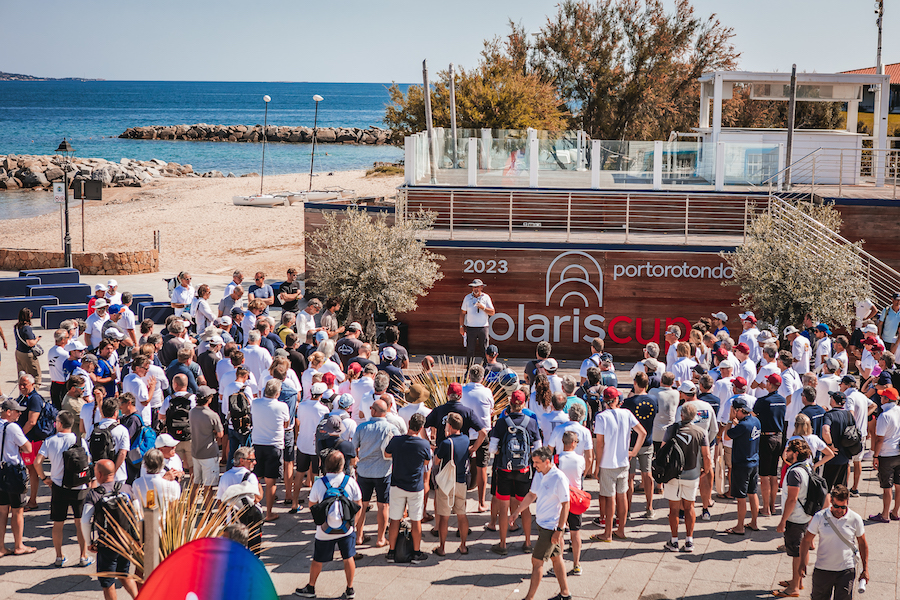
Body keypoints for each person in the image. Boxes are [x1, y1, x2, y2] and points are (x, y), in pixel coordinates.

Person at [295, 450, 361, 600]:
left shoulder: (319, 483)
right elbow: (358, 504)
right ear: (342, 465)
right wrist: (353, 524)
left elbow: (312, 505)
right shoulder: (350, 481)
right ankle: (350, 589)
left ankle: (311, 587)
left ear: (326, 465)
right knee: (348, 557)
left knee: (317, 559)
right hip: (346, 529)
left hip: (324, 530)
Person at [509, 446, 571, 600]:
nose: (534, 465)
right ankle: (565, 594)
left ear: (547, 461)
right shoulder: (539, 473)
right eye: (533, 462)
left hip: (551, 527)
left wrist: (559, 530)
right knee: (556, 558)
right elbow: (532, 495)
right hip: (542, 525)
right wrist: (517, 512)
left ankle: (529, 598)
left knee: (536, 561)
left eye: (537, 462)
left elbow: (566, 505)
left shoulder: (559, 478)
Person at [35, 410, 92, 567]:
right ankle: (83, 556)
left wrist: (44, 478)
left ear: (59, 424)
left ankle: (59, 557)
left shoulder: (50, 441)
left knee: (58, 523)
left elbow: (37, 462)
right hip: (79, 487)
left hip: (59, 486)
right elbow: (87, 461)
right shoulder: (80, 441)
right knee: (80, 523)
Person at [489, 389, 541, 555]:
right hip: (523, 470)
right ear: (523, 404)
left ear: (510, 404)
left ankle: (503, 544)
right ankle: (527, 542)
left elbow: (492, 449)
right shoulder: (531, 422)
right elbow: (538, 449)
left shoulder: (501, 423)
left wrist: (501, 453)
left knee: (503, 507)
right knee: (524, 507)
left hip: (504, 469)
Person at [79, 459, 140, 600]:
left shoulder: (94, 494)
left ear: (99, 474)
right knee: (124, 574)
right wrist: (137, 538)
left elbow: (85, 520)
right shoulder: (127, 489)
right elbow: (138, 515)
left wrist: (89, 542)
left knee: (108, 582)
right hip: (126, 542)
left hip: (107, 544)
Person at [593, 387, 647, 542]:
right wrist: (633, 452)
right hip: (623, 461)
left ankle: (607, 533)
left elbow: (600, 444)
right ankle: (621, 530)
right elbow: (642, 433)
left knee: (610, 498)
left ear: (604, 400)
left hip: (607, 463)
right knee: (622, 496)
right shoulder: (627, 413)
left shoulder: (601, 417)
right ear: (617, 399)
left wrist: (597, 466)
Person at [800, 485, 869, 600]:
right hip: (823, 570)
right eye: (836, 506)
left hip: (846, 570)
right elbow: (806, 540)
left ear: (848, 502)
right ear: (831, 501)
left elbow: (862, 543)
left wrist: (865, 569)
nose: (839, 510)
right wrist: (802, 563)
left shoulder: (855, 519)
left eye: (843, 507)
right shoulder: (820, 517)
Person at [661, 402, 710, 553]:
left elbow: (663, 450)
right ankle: (689, 540)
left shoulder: (671, 429)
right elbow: (706, 455)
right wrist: (706, 470)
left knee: (673, 509)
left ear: (681, 415)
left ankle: (674, 541)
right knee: (690, 507)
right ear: (694, 416)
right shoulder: (701, 432)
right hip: (692, 474)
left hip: (673, 474)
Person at [384, 412, 431, 563]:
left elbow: (386, 453)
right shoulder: (424, 444)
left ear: (409, 423)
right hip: (415, 486)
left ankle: (391, 552)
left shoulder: (396, 440)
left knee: (395, 520)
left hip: (397, 484)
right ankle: (416, 553)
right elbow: (426, 462)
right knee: (416, 520)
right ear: (421, 428)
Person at [354, 399, 399, 548]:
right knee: (383, 505)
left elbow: (354, 448)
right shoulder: (391, 428)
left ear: (373, 411)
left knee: (362, 505)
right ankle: (380, 538)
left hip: (364, 471)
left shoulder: (361, 427)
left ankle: (359, 536)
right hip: (383, 471)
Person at [774, 438, 815, 597]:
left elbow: (792, 499)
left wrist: (783, 521)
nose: (786, 453)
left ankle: (793, 589)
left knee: (796, 554)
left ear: (796, 453)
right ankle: (798, 581)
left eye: (789, 450)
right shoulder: (807, 466)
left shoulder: (794, 473)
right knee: (803, 550)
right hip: (805, 515)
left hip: (795, 518)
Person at [677, 381, 718, 521]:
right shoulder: (707, 406)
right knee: (705, 477)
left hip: (687, 448)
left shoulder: (682, 408)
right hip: (705, 447)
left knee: (685, 479)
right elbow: (714, 429)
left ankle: (683, 511)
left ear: (684, 394)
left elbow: (678, 427)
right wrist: (706, 442)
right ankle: (705, 509)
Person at [252, 379, 290, 521]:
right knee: (271, 482)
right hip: (274, 445)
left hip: (257, 443)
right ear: (278, 393)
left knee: (255, 478)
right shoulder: (282, 406)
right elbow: (287, 423)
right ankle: (269, 513)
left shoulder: (255, 403)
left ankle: (254, 507)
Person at [434, 412, 472, 557]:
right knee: (462, 515)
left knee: (444, 517)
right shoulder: (466, 439)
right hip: (461, 481)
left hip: (447, 483)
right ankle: (463, 546)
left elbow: (437, 461)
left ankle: (442, 547)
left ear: (449, 426)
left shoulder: (446, 443)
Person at [0, 398, 34, 556]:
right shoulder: (12, 427)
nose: (19, 414)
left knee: (2, 511)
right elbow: (27, 448)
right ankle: (19, 545)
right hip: (13, 472)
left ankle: (1, 547)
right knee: (17, 510)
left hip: (0, 471)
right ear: (8, 412)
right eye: (17, 411)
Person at [723, 396, 761, 535]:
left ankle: (739, 527)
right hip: (754, 462)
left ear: (737, 410)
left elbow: (726, 436)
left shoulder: (742, 426)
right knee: (753, 493)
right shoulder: (755, 421)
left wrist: (729, 421)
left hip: (741, 464)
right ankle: (754, 522)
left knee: (741, 497)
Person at [622, 371, 657, 519]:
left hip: (631, 443)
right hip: (647, 441)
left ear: (635, 383)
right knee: (647, 474)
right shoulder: (653, 400)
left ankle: (628, 510)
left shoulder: (629, 402)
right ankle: (649, 507)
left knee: (629, 477)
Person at [217, 446, 263, 554]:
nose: (255, 462)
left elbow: (220, 501)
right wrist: (260, 488)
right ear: (242, 461)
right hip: (250, 519)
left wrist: (225, 519)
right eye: (251, 460)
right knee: (253, 552)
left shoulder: (225, 476)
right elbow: (257, 498)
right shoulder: (251, 477)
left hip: (232, 520)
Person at [461, 364, 494, 512]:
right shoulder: (487, 392)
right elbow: (491, 409)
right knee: (482, 467)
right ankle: (481, 503)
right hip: (483, 432)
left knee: (461, 467)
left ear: (469, 376)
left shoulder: (462, 390)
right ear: (482, 378)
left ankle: (460, 502)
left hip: (465, 433)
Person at [294, 382, 330, 511]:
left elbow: (299, 420)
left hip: (302, 443)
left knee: (299, 473)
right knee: (316, 475)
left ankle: (294, 502)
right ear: (321, 395)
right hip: (316, 445)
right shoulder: (324, 409)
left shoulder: (302, 405)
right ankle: (315, 504)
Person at [15, 373, 49, 510]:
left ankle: (33, 500)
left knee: (33, 470)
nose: (22, 387)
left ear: (33, 384)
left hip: (32, 441)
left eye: (25, 384)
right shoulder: (23, 397)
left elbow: (32, 421)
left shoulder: (35, 399)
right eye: (20, 384)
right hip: (26, 440)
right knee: (29, 469)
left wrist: (19, 438)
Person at [755, 372, 787, 517]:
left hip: (766, 438)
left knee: (764, 476)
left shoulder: (762, 401)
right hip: (779, 437)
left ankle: (766, 508)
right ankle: (773, 506)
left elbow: (754, 416)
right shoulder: (782, 400)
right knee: (774, 474)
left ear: (770, 384)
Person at [556, 430, 585, 574]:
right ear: (573, 443)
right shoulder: (580, 459)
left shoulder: (557, 458)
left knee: (560, 532)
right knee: (576, 532)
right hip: (575, 498)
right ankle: (577, 564)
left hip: (561, 498)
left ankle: (559, 564)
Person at [189, 385, 224, 504]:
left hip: (196, 452)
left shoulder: (192, 412)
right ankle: (208, 512)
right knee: (208, 487)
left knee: (195, 483)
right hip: (209, 454)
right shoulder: (212, 415)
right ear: (208, 399)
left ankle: (189, 509)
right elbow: (220, 434)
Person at [870, 386, 900, 522]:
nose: (880, 397)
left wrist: (875, 456)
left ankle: (885, 514)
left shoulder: (884, 416)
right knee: (898, 485)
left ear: (887, 399)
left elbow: (879, 439)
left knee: (887, 487)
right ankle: (895, 512)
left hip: (887, 454)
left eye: (882, 396)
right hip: (898, 452)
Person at [131, 449, 181, 519]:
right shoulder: (173, 485)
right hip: (163, 523)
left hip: (142, 522)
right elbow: (173, 509)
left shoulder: (136, 483)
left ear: (144, 464)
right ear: (162, 464)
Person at [822, 392, 855, 492]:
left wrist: (830, 445)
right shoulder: (849, 415)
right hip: (845, 457)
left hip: (831, 458)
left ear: (833, 400)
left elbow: (825, 431)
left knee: (826, 489)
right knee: (841, 489)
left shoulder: (829, 415)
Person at [459, 278, 495, 365]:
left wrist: (483, 307)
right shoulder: (467, 298)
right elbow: (462, 313)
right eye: (474, 287)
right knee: (470, 350)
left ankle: (486, 368)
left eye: (477, 287)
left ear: (481, 287)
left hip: (483, 327)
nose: (476, 289)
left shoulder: (486, 297)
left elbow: (492, 312)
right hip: (471, 327)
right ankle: (469, 369)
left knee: (485, 349)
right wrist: (461, 326)